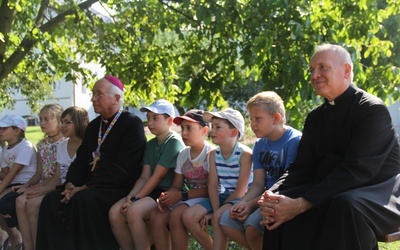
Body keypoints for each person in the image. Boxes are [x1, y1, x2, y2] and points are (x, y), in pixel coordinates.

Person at [258, 44, 400, 250]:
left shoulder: (371, 109)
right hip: (334, 188)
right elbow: (302, 167)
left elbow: (358, 170)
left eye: (323, 67)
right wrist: (273, 194)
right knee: (279, 205)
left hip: (380, 191)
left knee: (345, 205)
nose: (315, 75)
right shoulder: (316, 117)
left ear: (346, 71)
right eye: (312, 70)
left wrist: (302, 203)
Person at [36, 76, 147, 250]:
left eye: (99, 94)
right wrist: (71, 184)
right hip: (88, 186)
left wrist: (86, 187)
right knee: (51, 201)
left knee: (83, 200)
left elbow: (124, 168)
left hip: (117, 187)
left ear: (116, 98)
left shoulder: (132, 124)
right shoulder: (94, 126)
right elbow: (81, 160)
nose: (93, 98)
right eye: (93, 94)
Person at [220, 91, 302, 249]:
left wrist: (251, 205)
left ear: (276, 118)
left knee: (252, 227)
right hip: (263, 197)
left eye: (258, 119)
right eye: (251, 119)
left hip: (283, 197)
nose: (253, 124)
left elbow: (287, 185)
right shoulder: (259, 145)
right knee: (227, 220)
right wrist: (243, 202)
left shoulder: (294, 141)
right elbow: (258, 183)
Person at [109, 99, 185, 250]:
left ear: (169, 120)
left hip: (167, 192)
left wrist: (137, 199)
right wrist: (130, 197)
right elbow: (144, 176)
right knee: (114, 213)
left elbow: (157, 176)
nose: (150, 123)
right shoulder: (150, 144)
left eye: (155, 118)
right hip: (151, 190)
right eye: (148, 118)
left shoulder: (173, 142)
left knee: (134, 211)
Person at [15, 106, 89, 250]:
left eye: (67, 122)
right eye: (62, 122)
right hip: (56, 185)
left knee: (32, 204)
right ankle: (29, 246)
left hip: (69, 187)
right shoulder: (59, 146)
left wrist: (41, 191)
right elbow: (55, 176)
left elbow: (64, 179)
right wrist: (36, 189)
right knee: (22, 200)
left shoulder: (86, 145)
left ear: (79, 123)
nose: (63, 126)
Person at [182, 108, 253, 250]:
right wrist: (215, 209)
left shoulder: (245, 154)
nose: (212, 130)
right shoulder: (213, 154)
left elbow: (240, 191)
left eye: (217, 127)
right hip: (224, 196)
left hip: (244, 197)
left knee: (218, 217)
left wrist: (217, 213)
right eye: (212, 126)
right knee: (188, 216)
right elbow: (213, 185)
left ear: (234, 132)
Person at [149, 109, 215, 250]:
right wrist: (167, 196)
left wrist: (180, 195)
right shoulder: (183, 154)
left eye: (189, 128)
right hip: (189, 197)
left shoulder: (211, 154)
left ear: (204, 131)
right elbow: (176, 185)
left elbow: (211, 189)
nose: (184, 133)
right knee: (157, 214)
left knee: (177, 214)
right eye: (182, 128)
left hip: (209, 197)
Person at [0, 114, 37, 249]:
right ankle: (14, 237)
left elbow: (13, 173)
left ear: (17, 131)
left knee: (4, 203)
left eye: (3, 128)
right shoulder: (5, 149)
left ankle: (22, 239)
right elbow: (5, 175)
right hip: (12, 184)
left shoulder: (25, 146)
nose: (0, 131)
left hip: (26, 184)